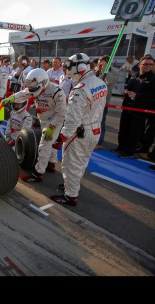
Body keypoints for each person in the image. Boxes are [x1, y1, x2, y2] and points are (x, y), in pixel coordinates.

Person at [50, 53, 107, 206]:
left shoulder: (80, 89)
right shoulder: (100, 83)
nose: (68, 72)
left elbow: (72, 119)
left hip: (80, 132)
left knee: (70, 164)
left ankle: (71, 195)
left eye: (70, 68)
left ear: (80, 68)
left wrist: (61, 138)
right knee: (81, 162)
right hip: (95, 130)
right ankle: (72, 186)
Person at [2, 68, 67, 182]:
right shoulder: (34, 88)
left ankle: (38, 173)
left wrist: (51, 127)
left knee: (43, 146)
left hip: (54, 121)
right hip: (43, 119)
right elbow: (24, 93)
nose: (31, 89)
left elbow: (61, 114)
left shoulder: (57, 91)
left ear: (43, 82)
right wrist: (12, 98)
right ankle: (51, 164)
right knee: (50, 143)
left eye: (33, 87)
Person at [114, 54, 155, 159]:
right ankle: (121, 147)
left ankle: (129, 151)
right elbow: (129, 86)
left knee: (134, 131)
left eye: (150, 64)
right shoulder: (135, 75)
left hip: (140, 109)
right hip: (127, 106)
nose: (148, 66)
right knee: (123, 127)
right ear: (140, 65)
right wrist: (125, 92)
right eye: (146, 64)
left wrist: (138, 95)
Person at [92, 55, 118, 150]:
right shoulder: (96, 71)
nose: (99, 65)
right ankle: (91, 139)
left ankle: (99, 142)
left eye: (102, 63)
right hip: (93, 100)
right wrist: (97, 70)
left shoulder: (113, 72)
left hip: (103, 101)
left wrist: (104, 69)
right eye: (99, 63)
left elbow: (110, 81)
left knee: (100, 122)